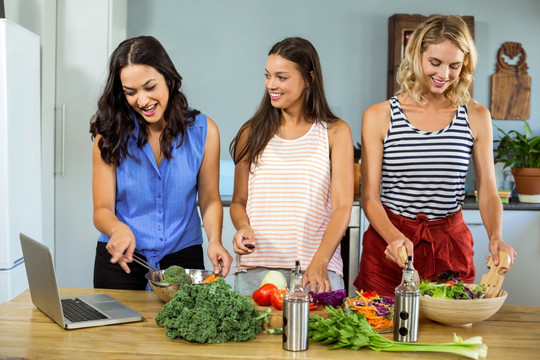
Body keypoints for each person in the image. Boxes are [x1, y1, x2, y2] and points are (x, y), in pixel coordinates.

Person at [354, 15, 517, 296]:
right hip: (390, 243)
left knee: (449, 334)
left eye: (454, 65)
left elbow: (488, 191)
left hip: (449, 245)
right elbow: (370, 197)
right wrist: (394, 238)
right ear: (416, 56)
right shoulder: (379, 116)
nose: (444, 75)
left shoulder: (476, 116)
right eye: (435, 63)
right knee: (379, 329)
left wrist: (496, 237)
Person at [89, 35, 232, 290]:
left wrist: (215, 240)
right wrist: (117, 229)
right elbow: (102, 209)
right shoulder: (109, 136)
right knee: (115, 332)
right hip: (122, 257)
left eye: (149, 87)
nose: (142, 101)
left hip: (182, 256)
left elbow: (209, 199)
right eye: (130, 93)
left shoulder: (204, 132)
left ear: (168, 78)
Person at [229, 37, 354, 295]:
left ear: (309, 78)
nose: (271, 85)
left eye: (281, 77)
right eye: (268, 75)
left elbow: (342, 207)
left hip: (316, 269)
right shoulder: (251, 133)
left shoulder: (335, 132)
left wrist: (320, 261)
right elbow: (239, 201)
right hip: (257, 270)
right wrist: (242, 226)